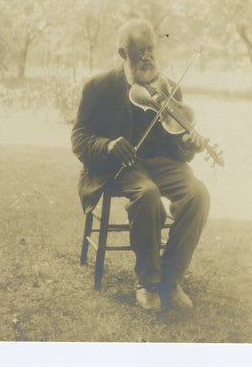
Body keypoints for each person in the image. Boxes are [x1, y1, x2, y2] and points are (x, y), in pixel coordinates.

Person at [71, 18, 210, 311]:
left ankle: (170, 281)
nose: (147, 58)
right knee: (146, 193)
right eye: (139, 52)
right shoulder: (99, 86)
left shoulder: (170, 88)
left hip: (161, 164)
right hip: (120, 166)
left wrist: (188, 144)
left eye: (151, 50)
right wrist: (107, 145)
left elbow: (177, 149)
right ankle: (148, 282)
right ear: (123, 54)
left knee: (198, 194)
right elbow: (79, 139)